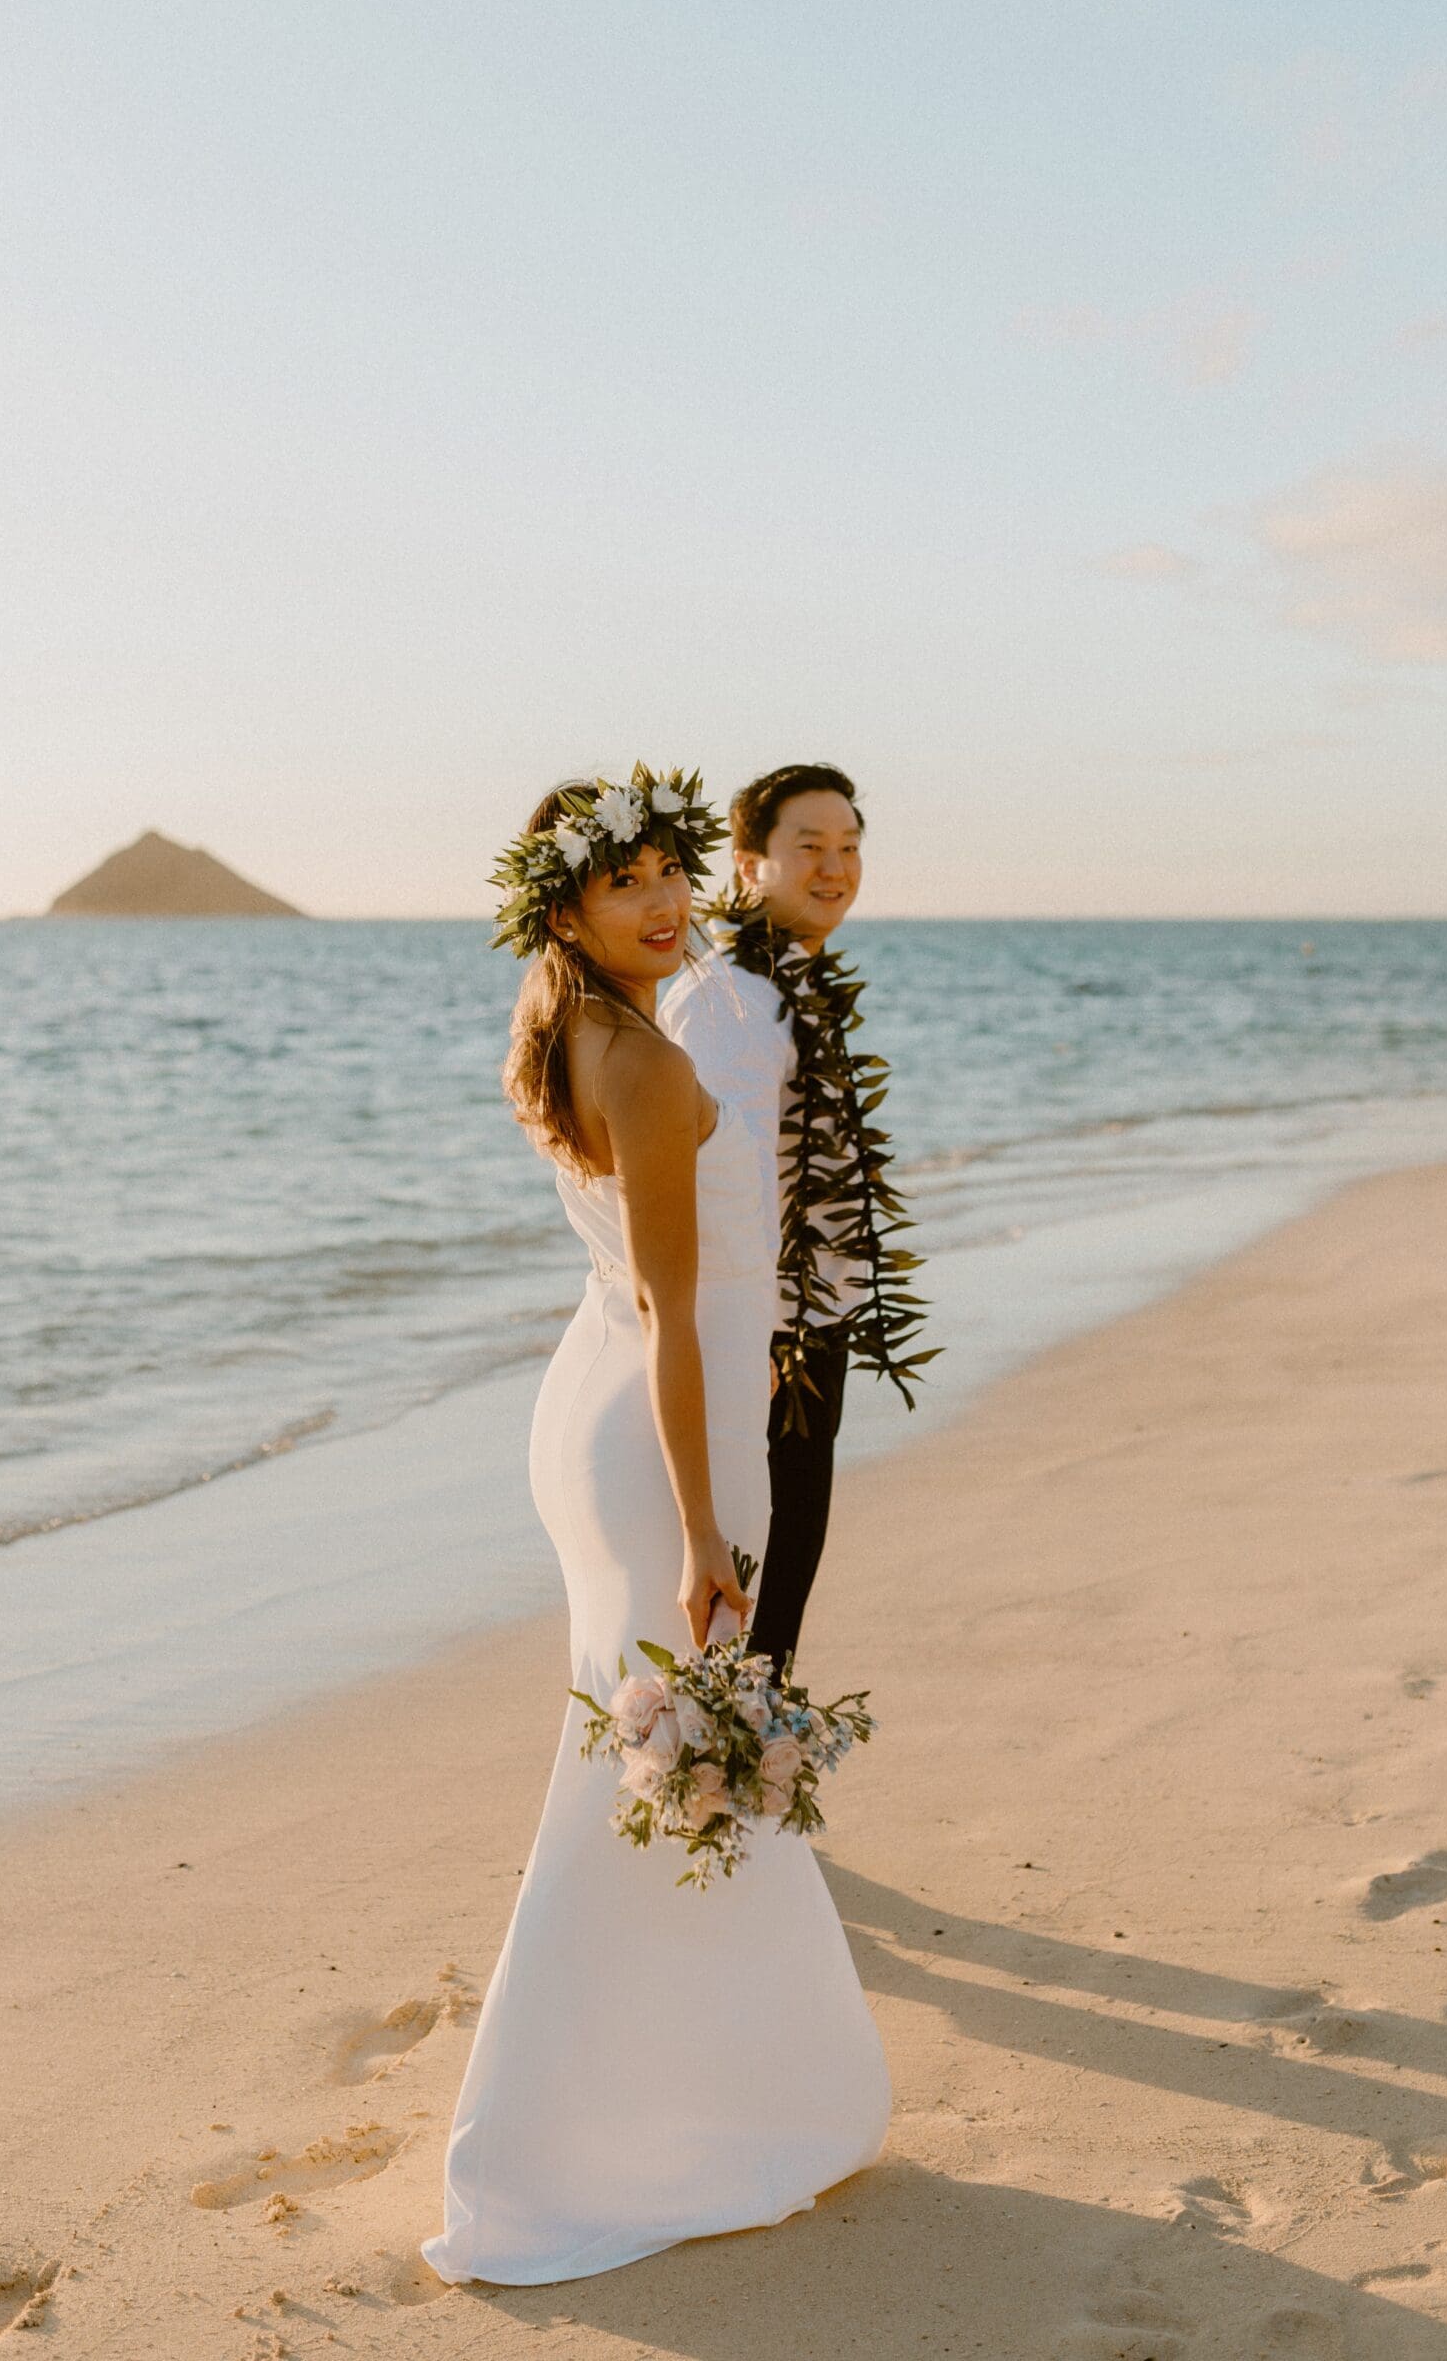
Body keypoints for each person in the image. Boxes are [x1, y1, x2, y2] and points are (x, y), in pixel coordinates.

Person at [420, 766, 890, 2288]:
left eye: (670, 878)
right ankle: (563, 2141)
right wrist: (703, 1531)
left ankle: (687, 2085)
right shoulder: (624, 1050)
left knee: (638, 1757)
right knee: (640, 1761)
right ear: (561, 907)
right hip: (662, 1432)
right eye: (625, 886)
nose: (663, 906)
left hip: (601, 1404)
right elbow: (678, 1312)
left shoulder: (583, 1024)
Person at [663, 765, 934, 1677]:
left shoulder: (786, 985)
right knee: (751, 1601)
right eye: (808, 848)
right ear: (749, 867)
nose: (835, 868)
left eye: (850, 848)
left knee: (780, 1594)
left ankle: (751, 1800)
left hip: (805, 1323)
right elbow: (712, 1188)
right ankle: (726, 1797)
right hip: (760, 1340)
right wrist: (746, 1356)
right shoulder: (730, 1000)